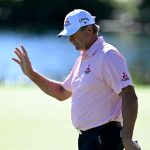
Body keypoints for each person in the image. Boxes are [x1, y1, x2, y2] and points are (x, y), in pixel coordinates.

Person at [12, 9, 141, 150]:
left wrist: (127, 139)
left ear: (89, 30)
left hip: (105, 138)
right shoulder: (83, 57)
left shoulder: (107, 55)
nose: (70, 40)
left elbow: (129, 96)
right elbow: (62, 92)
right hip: (88, 139)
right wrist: (31, 74)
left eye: (73, 35)